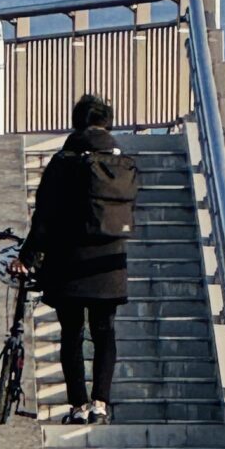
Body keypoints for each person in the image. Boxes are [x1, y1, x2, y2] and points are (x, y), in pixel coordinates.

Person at [21, 94, 139, 423]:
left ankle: (78, 406)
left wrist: (28, 256)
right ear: (108, 123)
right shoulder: (123, 164)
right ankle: (101, 402)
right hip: (109, 262)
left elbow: (44, 216)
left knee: (71, 333)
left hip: (68, 262)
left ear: (77, 122)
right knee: (104, 332)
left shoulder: (64, 161)